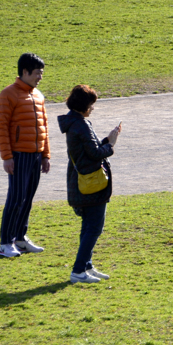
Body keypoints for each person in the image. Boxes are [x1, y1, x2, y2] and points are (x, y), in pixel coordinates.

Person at [57, 85, 121, 284]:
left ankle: (86, 265)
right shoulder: (81, 125)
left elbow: (88, 149)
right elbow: (94, 154)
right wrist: (111, 144)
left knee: (88, 227)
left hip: (80, 181)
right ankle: (78, 271)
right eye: (91, 105)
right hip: (90, 182)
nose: (92, 108)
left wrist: (105, 141)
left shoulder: (74, 123)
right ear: (84, 105)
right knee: (94, 228)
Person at [0, 52, 51, 258]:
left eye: (41, 73)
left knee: (27, 199)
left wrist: (46, 154)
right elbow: (1, 128)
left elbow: (44, 126)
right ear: (25, 72)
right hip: (18, 155)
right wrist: (7, 157)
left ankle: (19, 238)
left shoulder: (38, 95)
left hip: (36, 155)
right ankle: (5, 243)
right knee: (16, 198)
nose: (40, 77)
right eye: (37, 73)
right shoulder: (8, 94)